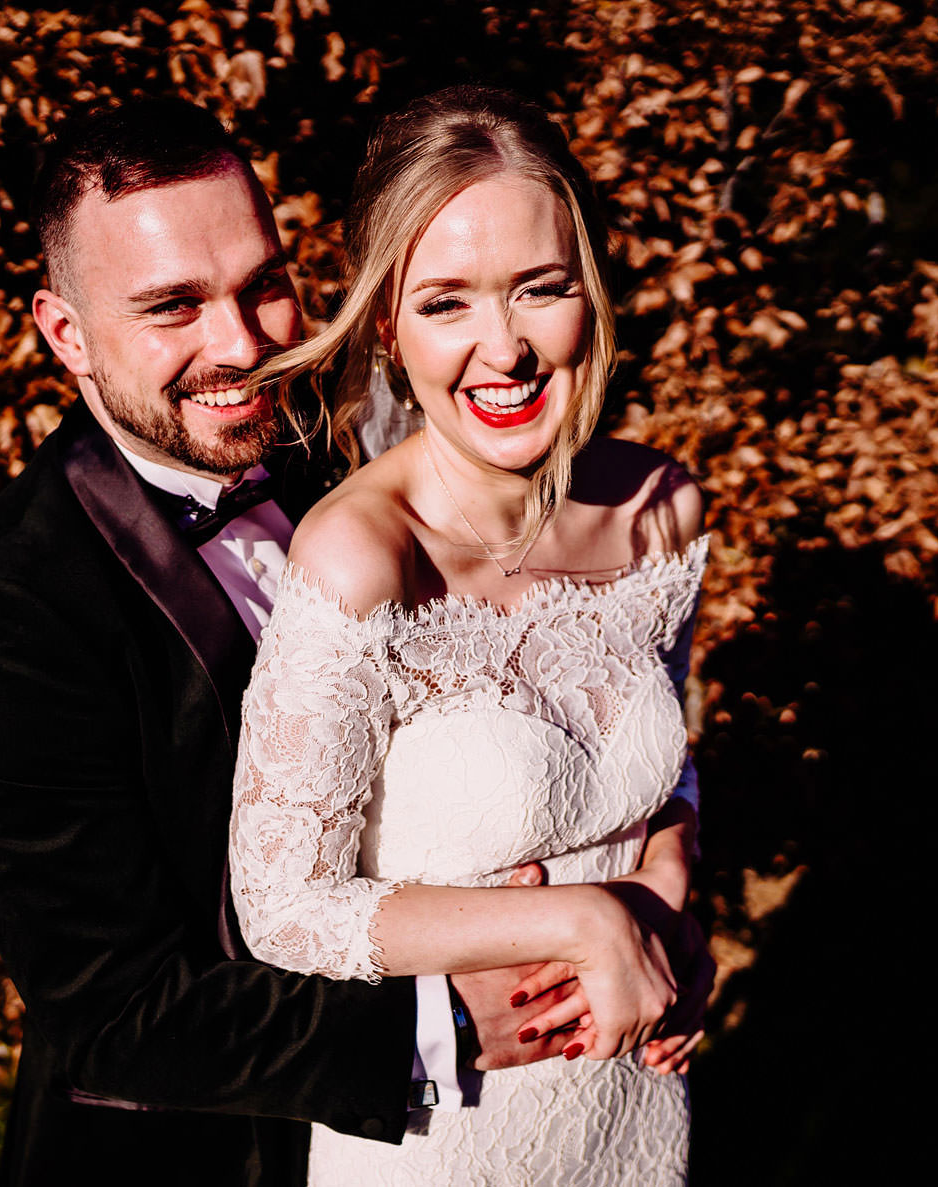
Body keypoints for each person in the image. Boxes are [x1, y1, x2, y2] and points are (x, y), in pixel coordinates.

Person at [0, 99, 602, 1187]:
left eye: (263, 285)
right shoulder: (11, 620)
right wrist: (448, 1020)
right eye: (172, 307)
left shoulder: (359, 443)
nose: (240, 344)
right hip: (217, 1152)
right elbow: (117, 1010)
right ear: (64, 334)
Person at [229, 86, 713, 1186]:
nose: (505, 349)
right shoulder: (358, 557)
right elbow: (283, 907)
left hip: (635, 1108)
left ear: (587, 289)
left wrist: (673, 879)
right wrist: (593, 919)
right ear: (386, 324)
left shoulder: (660, 509)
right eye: (446, 302)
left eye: (540, 289)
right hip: (446, 1131)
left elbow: (658, 771)